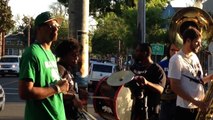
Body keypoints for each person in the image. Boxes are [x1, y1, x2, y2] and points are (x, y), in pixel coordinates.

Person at [18, 11, 69, 120]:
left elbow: (49, 86)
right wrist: (57, 88)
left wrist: (65, 88)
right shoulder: (32, 53)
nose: (56, 29)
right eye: (51, 26)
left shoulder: (51, 54)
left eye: (57, 26)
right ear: (39, 29)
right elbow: (25, 92)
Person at [168, 26, 213, 120]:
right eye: (197, 42)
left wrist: (210, 77)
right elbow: (175, 87)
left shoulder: (194, 57)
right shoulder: (176, 59)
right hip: (185, 110)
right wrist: (195, 102)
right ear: (188, 41)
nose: (200, 45)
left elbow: (197, 81)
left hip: (198, 107)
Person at [125, 43, 166, 120]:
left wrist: (147, 83)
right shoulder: (134, 67)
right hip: (135, 110)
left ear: (145, 53)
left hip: (151, 111)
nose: (135, 53)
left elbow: (160, 89)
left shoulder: (157, 69)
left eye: (137, 51)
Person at [55, 39, 88, 120]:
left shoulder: (69, 69)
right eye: (73, 55)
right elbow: (55, 93)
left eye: (77, 55)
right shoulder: (60, 69)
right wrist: (73, 98)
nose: (76, 59)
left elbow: (68, 89)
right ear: (64, 54)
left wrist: (79, 92)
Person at [159, 43, 179, 120]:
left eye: (177, 50)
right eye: (172, 50)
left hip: (177, 101)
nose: (175, 52)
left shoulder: (182, 64)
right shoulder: (162, 64)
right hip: (164, 101)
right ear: (168, 51)